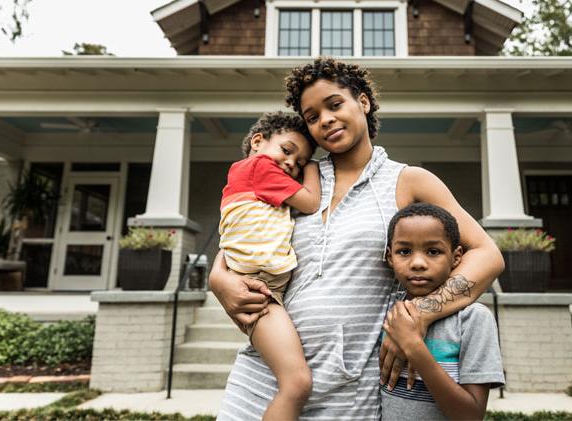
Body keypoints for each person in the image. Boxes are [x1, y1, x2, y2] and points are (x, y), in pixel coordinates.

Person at [209, 57, 504, 420]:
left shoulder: (408, 181)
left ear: (362, 102)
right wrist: (218, 278)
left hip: (349, 394)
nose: (326, 120)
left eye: (335, 104)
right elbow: (244, 229)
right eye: (313, 117)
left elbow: (487, 255)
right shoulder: (295, 175)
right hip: (262, 380)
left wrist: (417, 316)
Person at [218, 111, 321, 420]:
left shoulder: (258, 186)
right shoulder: (260, 166)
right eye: (287, 151)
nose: (293, 163)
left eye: (301, 162)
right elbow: (312, 202)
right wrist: (314, 168)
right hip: (261, 292)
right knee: (297, 383)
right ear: (258, 141)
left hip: (260, 284)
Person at [382, 203, 505, 420]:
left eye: (433, 251)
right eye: (404, 251)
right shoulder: (390, 311)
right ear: (390, 257)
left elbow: (470, 416)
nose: (418, 263)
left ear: (456, 257)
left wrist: (414, 348)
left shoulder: (473, 319)